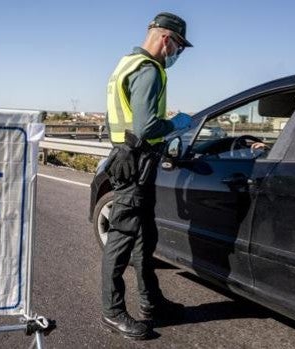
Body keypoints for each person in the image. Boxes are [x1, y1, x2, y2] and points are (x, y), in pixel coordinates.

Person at [101, 12, 193, 340]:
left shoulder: (125, 62)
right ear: (166, 38)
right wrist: (178, 123)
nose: (176, 53)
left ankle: (151, 302)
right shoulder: (148, 70)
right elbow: (146, 127)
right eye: (178, 45)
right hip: (136, 162)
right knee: (123, 239)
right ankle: (112, 312)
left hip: (126, 157)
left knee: (143, 237)